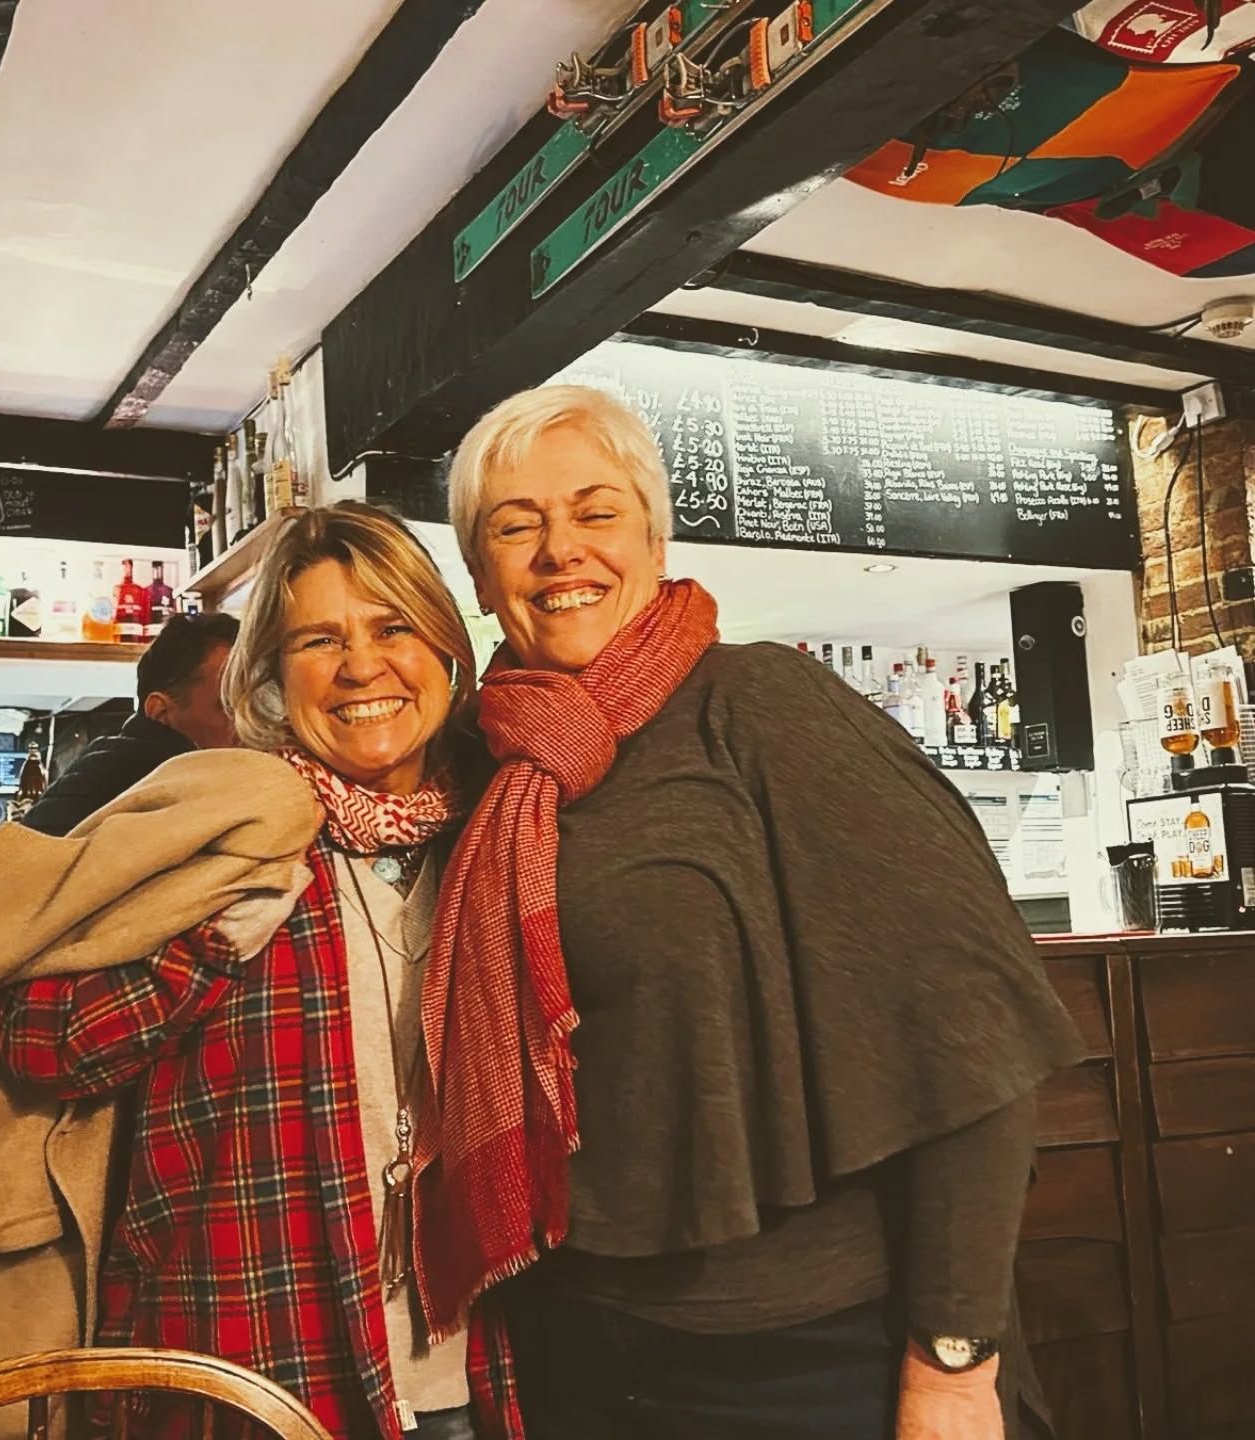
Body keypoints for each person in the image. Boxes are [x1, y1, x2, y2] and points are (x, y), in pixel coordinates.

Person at [413, 385, 1085, 1440]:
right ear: (480, 573)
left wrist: (954, 1363)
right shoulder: (492, 773)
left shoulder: (762, 705)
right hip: (566, 1341)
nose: (558, 551)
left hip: (806, 1355)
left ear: (652, 532)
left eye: (594, 511)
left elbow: (971, 1036)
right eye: (515, 524)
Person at [0, 504, 518, 1440]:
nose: (362, 666)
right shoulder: (213, 822)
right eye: (319, 639)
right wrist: (209, 944)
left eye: (393, 626)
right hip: (251, 1360)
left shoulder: (503, 830)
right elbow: (33, 1036)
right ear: (267, 678)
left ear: (446, 651)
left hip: (468, 1362)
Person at [21, 612, 239, 836]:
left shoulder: (105, 764)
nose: (253, 727)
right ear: (160, 712)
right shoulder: (135, 781)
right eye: (229, 708)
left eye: (259, 709)